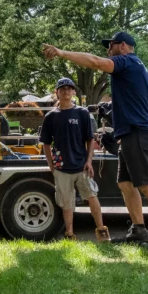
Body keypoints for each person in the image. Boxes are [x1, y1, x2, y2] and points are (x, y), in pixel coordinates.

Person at [42, 33, 148, 253]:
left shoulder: (126, 61)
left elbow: (95, 62)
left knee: (146, 184)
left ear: (124, 46)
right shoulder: (145, 73)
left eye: (111, 46)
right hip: (132, 132)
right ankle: (139, 231)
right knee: (126, 184)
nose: (108, 50)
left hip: (136, 132)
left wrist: (62, 53)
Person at [41, 78, 111, 242]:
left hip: (81, 166)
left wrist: (89, 161)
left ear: (73, 92)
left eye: (69, 88)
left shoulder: (82, 113)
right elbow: (45, 143)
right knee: (67, 203)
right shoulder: (51, 117)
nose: (66, 91)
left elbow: (90, 140)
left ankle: (101, 230)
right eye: (62, 88)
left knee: (92, 197)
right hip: (61, 168)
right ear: (57, 92)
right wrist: (52, 166)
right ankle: (70, 234)